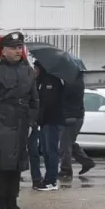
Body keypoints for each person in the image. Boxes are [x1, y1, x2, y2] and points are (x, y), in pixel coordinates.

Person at [0, 32, 38, 209]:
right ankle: (1, 204)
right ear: (3, 51)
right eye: (13, 48)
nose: (17, 51)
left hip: (21, 122)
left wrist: (31, 121)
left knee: (17, 165)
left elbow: (34, 100)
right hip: (1, 122)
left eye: (19, 47)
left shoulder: (28, 71)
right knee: (2, 165)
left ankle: (13, 202)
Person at [31, 63, 63, 191]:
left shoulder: (52, 82)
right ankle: (47, 178)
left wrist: (39, 116)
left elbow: (48, 103)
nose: (34, 70)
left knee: (51, 151)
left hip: (51, 121)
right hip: (44, 122)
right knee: (45, 151)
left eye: (36, 68)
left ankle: (51, 180)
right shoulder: (40, 81)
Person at [59, 75, 95, 179]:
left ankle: (66, 170)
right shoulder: (77, 82)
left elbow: (64, 98)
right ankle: (86, 162)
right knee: (69, 143)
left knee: (65, 145)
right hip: (75, 116)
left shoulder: (71, 84)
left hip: (71, 117)